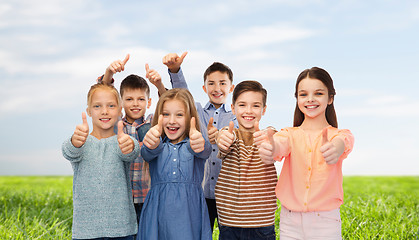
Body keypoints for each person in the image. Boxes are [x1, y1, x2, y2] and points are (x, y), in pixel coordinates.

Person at [254, 67, 355, 239]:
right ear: (297, 99)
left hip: (326, 223)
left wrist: (335, 149)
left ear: (330, 98)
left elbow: (343, 143)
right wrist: (270, 147)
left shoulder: (339, 135)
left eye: (318, 93)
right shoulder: (288, 134)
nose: (310, 100)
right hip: (290, 222)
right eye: (303, 94)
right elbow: (278, 146)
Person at [163, 52, 238, 230]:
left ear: (231, 87)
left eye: (222, 83)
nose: (216, 87)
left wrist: (220, 134)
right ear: (204, 88)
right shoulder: (197, 111)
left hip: (227, 193)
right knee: (199, 232)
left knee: (229, 233)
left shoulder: (235, 116)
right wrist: (175, 70)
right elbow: (183, 92)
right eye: (211, 83)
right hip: (201, 193)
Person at [62, 83, 140, 240]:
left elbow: (132, 152)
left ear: (119, 110)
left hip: (122, 230)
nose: (104, 111)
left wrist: (130, 146)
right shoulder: (81, 142)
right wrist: (75, 141)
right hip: (86, 231)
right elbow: (69, 151)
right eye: (97, 106)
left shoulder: (123, 141)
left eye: (111, 106)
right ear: (89, 111)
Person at [137, 88, 212, 240]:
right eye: (166, 114)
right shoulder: (156, 146)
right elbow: (147, 152)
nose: (172, 121)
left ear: (190, 117)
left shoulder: (195, 145)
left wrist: (200, 142)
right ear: (158, 116)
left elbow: (205, 150)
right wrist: (151, 142)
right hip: (158, 217)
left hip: (189, 218)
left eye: (179, 115)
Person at [99, 54, 164, 224]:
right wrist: (108, 74)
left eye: (141, 99)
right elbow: (102, 96)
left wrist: (159, 84)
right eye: (129, 99)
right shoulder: (116, 123)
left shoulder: (153, 122)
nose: (135, 103)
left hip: (148, 197)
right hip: (121, 199)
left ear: (149, 102)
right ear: (120, 102)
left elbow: (170, 104)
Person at [214, 80, 278, 240]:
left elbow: (276, 142)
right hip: (230, 223)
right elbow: (222, 139)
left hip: (262, 224)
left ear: (264, 110)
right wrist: (222, 138)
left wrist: (272, 142)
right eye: (242, 105)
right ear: (233, 108)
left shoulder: (269, 136)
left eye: (255, 106)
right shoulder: (229, 134)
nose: (249, 111)